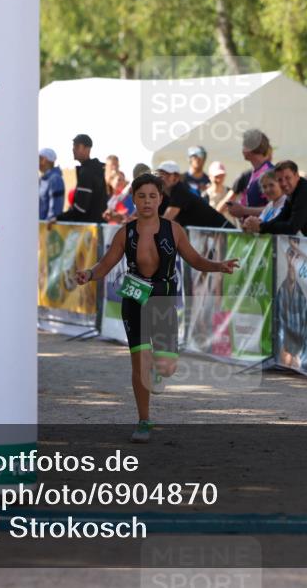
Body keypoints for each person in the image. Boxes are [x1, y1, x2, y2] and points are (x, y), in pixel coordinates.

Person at [73, 173, 239, 443]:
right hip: (135, 300)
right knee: (139, 362)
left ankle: (155, 371)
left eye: (153, 196)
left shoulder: (173, 230)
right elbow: (105, 265)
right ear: (134, 199)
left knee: (166, 368)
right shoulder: (125, 233)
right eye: (142, 196)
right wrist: (89, 274)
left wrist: (218, 265)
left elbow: (195, 260)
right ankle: (144, 420)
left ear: (161, 199)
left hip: (163, 300)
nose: (147, 201)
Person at [156, 161, 232, 229]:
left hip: (222, 229)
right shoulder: (165, 193)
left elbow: (166, 220)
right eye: (160, 174)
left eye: (167, 174)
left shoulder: (179, 191)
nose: (163, 178)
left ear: (176, 177)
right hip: (209, 232)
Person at [222, 129, 274, 222]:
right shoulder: (254, 173)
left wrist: (244, 210)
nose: (242, 150)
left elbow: (277, 209)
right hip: (255, 233)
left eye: (244, 146)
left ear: (251, 148)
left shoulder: (269, 173)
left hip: (267, 234)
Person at [54, 134, 107, 224]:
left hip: (90, 229)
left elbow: (81, 208)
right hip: (98, 226)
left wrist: (59, 218)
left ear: (87, 149)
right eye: (73, 146)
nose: (73, 149)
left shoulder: (87, 172)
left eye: (77, 146)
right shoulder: (95, 169)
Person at [38, 148, 65, 221]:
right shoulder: (42, 179)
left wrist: (46, 225)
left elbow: (55, 208)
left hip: (46, 228)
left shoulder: (55, 179)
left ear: (44, 160)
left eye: (39, 159)